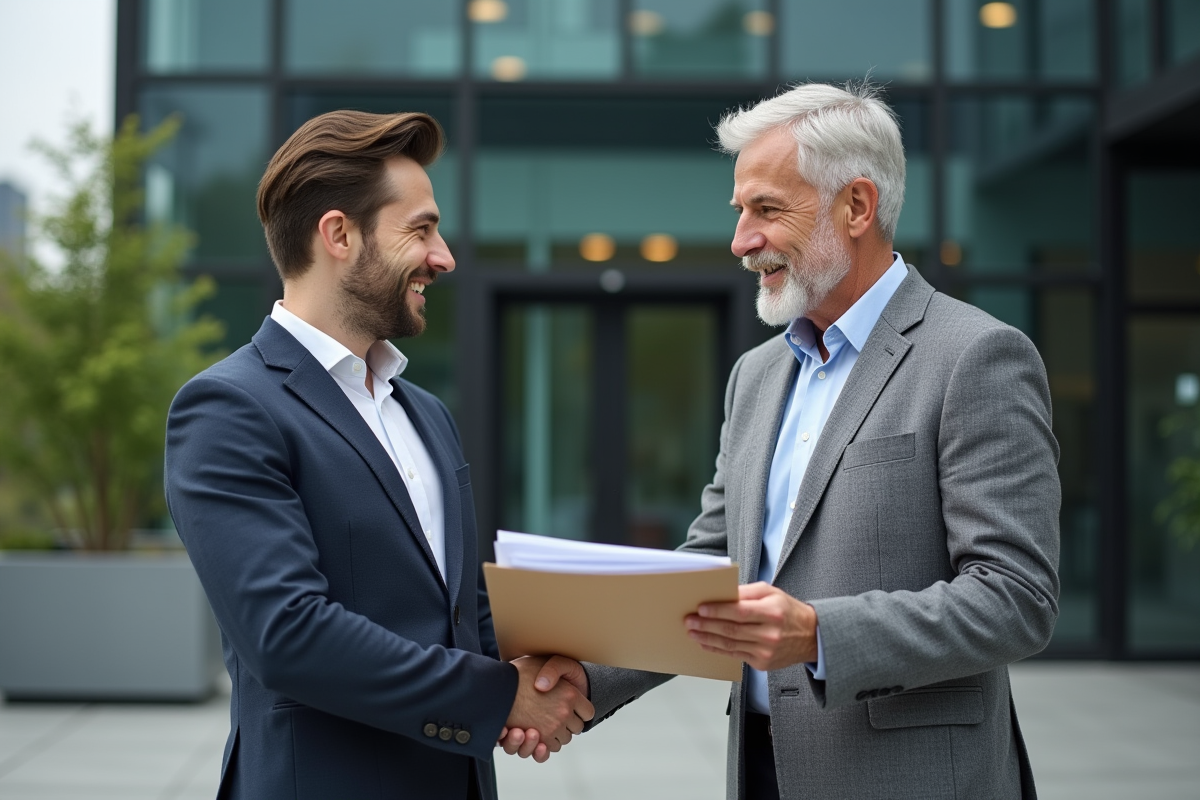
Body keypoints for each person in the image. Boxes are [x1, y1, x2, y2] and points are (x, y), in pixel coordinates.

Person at [515, 82, 1061, 798]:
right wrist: (584, 676)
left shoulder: (977, 356)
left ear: (857, 206)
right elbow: (713, 570)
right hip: (767, 769)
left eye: (767, 210)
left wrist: (819, 635)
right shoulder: (757, 375)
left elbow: (1017, 598)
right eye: (741, 211)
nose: (741, 241)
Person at [164, 110, 592, 800]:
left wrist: (541, 674)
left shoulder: (426, 413)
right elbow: (288, 634)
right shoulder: (228, 409)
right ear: (338, 234)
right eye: (420, 229)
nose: (444, 255)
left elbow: (459, 609)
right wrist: (496, 696)